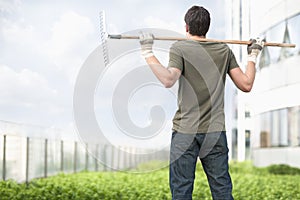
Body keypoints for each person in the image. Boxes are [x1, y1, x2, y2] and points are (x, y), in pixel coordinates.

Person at [139, 5, 264, 200]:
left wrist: (148, 52)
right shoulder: (223, 50)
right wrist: (253, 55)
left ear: (186, 27)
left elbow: (168, 79)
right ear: (207, 27)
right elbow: (246, 84)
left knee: (181, 191)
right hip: (215, 132)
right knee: (222, 191)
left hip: (185, 132)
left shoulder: (179, 48)